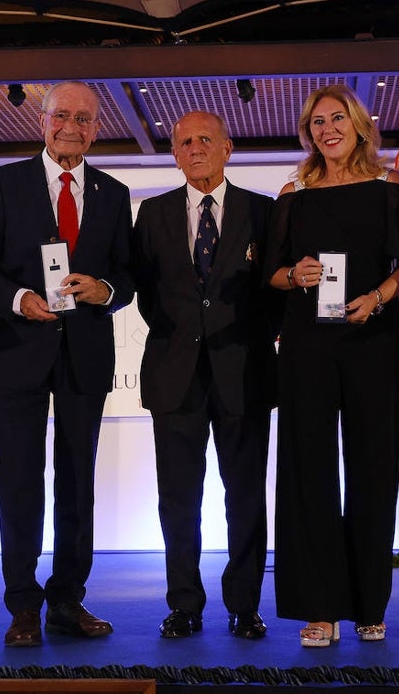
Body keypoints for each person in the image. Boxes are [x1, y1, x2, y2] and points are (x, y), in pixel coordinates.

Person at [0, 81, 134, 647]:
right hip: (16, 350)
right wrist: (17, 299)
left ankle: (67, 600)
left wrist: (103, 288)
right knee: (18, 483)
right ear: (43, 119)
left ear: (96, 128)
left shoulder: (112, 193)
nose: (71, 127)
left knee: (77, 483)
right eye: (62, 115)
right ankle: (22, 607)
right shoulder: (4, 183)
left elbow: (130, 278)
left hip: (84, 355)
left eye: (84, 119)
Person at [264, 84, 399, 648]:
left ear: (358, 124)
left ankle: (368, 602)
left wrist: (377, 297)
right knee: (309, 470)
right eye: (317, 122)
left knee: (373, 468)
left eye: (337, 118)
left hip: (372, 339)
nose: (327, 129)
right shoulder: (295, 191)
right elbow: (273, 274)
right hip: (307, 342)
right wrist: (296, 275)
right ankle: (320, 607)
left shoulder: (391, 187)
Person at [132, 111, 278, 641]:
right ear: (174, 153)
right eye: (184, 142)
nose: (195, 148)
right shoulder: (151, 214)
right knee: (177, 497)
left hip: (245, 372)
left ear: (227, 148)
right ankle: (184, 605)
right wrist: (184, 336)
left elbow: (275, 292)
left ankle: (244, 605)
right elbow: (146, 291)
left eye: (205, 140)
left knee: (244, 494)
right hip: (175, 376)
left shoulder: (263, 212)